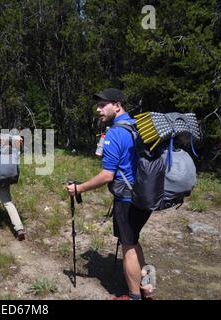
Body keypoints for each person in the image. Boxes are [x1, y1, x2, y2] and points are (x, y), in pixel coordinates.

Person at [66, 88, 153, 300]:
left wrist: (79, 188)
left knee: (129, 247)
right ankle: (148, 288)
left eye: (103, 105)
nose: (98, 109)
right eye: (98, 105)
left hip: (127, 199)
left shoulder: (115, 133)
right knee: (134, 240)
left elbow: (106, 175)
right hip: (145, 195)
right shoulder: (137, 126)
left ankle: (133, 296)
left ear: (117, 105)